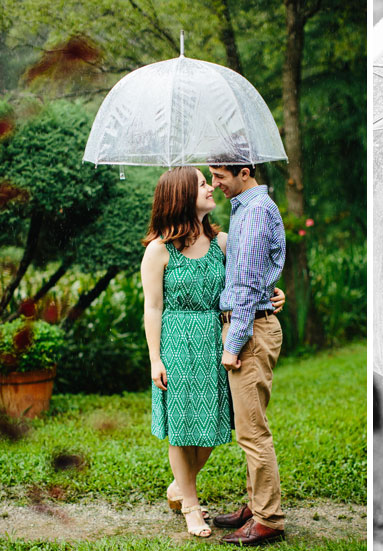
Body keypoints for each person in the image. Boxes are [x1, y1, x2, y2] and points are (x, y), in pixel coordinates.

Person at [140, 167, 285, 538]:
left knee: (211, 426)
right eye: (203, 183)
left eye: (212, 179)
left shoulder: (221, 243)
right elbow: (152, 308)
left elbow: (246, 279)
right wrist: (155, 358)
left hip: (216, 339)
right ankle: (190, 505)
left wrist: (272, 294)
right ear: (181, 197)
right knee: (181, 426)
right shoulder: (159, 251)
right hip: (176, 341)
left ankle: (181, 483)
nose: (211, 188)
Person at [207, 163, 287, 547]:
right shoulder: (245, 208)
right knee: (248, 426)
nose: (214, 183)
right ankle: (256, 505)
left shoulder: (254, 212)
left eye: (219, 174)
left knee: (253, 431)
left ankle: (268, 518)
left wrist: (233, 343)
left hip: (250, 330)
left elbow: (248, 283)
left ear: (243, 171)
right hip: (251, 322)